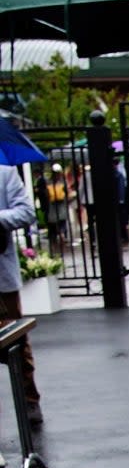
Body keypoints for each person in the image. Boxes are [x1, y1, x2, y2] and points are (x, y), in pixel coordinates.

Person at [0, 163, 42, 428]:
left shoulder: (5, 174)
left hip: (1, 279)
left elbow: (26, 212)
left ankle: (29, 399)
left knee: (15, 339)